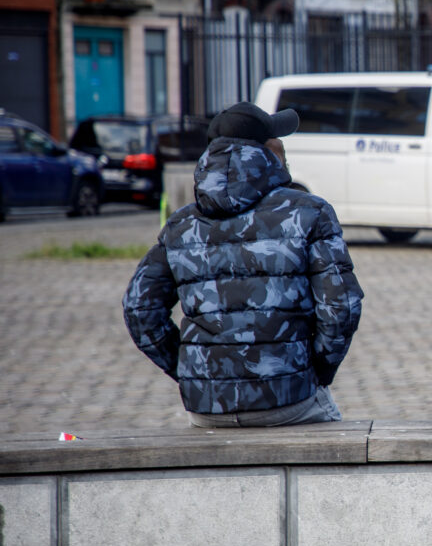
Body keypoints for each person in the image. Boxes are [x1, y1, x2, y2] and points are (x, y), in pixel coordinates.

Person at [123, 102, 363, 427]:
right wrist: (316, 370)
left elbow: (139, 308)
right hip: (290, 400)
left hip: (207, 408)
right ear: (268, 150)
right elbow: (341, 307)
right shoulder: (309, 212)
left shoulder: (180, 224)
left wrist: (190, 370)